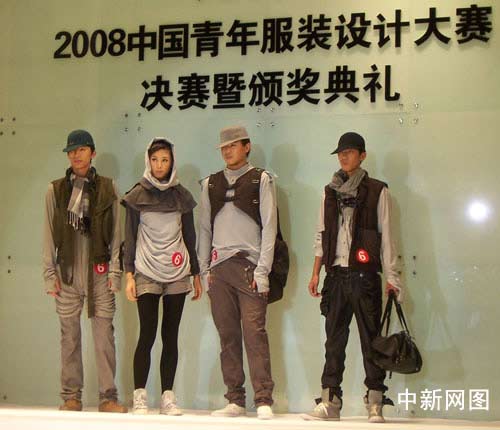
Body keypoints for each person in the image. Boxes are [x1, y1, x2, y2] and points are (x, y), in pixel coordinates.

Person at [303, 132, 403, 423]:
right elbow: (321, 235)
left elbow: (387, 237)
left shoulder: (377, 191)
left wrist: (392, 277)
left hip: (365, 275)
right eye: (340, 152)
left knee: (371, 340)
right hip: (335, 275)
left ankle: (375, 401)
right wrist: (315, 272)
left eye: (349, 151)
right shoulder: (329, 192)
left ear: (362, 155)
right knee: (333, 342)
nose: (344, 156)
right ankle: (329, 401)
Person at [42, 129, 127, 413]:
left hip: (99, 272)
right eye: (71, 151)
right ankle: (71, 396)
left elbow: (117, 233)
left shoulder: (108, 187)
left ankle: (108, 397)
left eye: (81, 149)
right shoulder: (55, 190)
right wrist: (49, 274)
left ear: (92, 152)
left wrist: (115, 271)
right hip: (67, 273)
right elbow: (48, 234)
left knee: (104, 337)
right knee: (69, 337)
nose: (75, 155)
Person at [197, 125, 277, 420]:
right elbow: (204, 229)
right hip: (219, 269)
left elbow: (270, 227)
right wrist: (204, 270)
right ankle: (235, 399)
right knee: (227, 335)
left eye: (233, 145)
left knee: (255, 334)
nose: (228, 151)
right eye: (224, 147)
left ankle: (263, 398)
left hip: (249, 266)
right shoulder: (211, 184)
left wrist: (263, 271)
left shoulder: (261, 179)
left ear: (247, 146)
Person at [121, 137, 202, 415]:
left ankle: (168, 396)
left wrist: (196, 273)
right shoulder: (136, 195)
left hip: (177, 272)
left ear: (172, 162)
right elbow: (129, 238)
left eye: (164, 160)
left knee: (171, 335)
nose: (159, 165)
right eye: (155, 160)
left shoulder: (182, 196)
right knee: (147, 333)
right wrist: (129, 275)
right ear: (148, 161)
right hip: (145, 270)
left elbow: (190, 236)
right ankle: (140, 395)